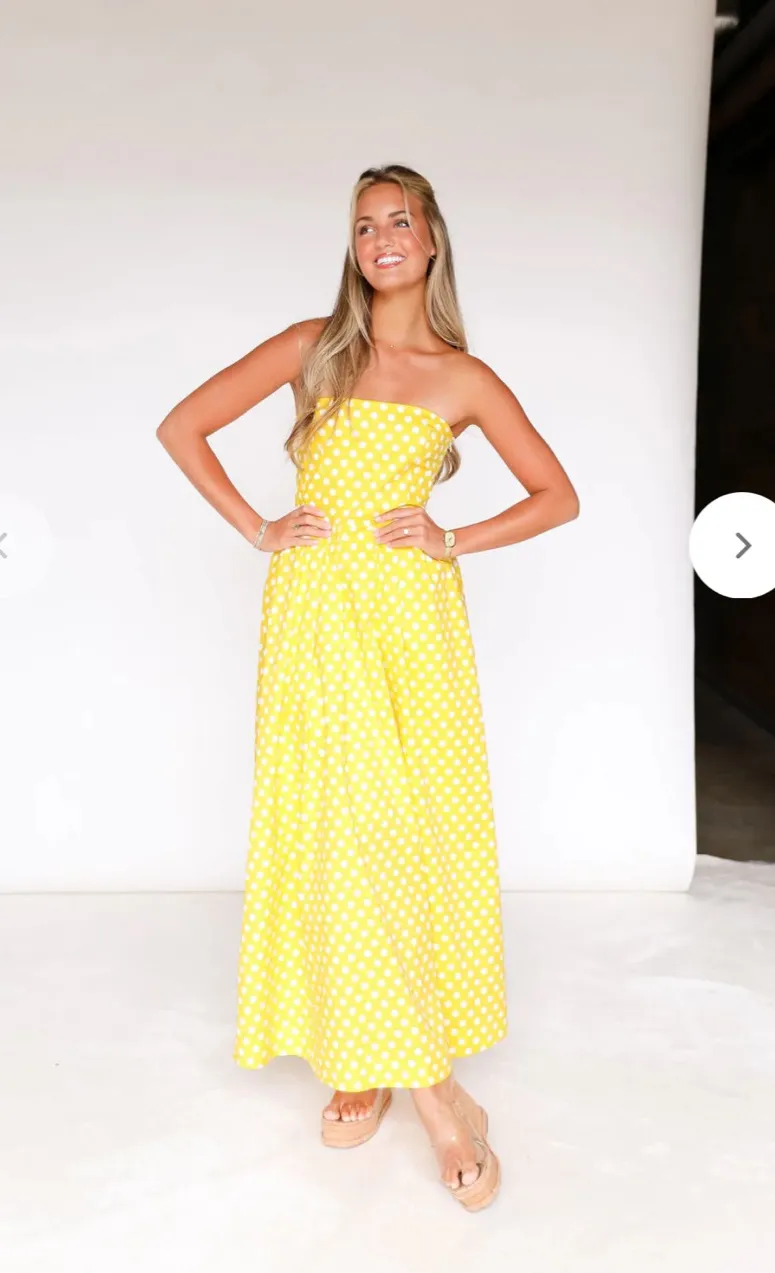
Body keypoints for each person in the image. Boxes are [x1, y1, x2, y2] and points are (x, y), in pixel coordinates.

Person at [157, 163, 579, 1211]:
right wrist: (258, 526)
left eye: (399, 220)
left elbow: (557, 496)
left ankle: (377, 1057)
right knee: (341, 834)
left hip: (413, 627)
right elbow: (181, 426)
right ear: (352, 248)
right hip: (313, 619)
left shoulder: (463, 378)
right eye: (363, 225)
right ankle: (432, 1100)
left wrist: (453, 537)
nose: (382, 237)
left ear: (432, 240)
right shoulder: (313, 348)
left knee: (406, 837)